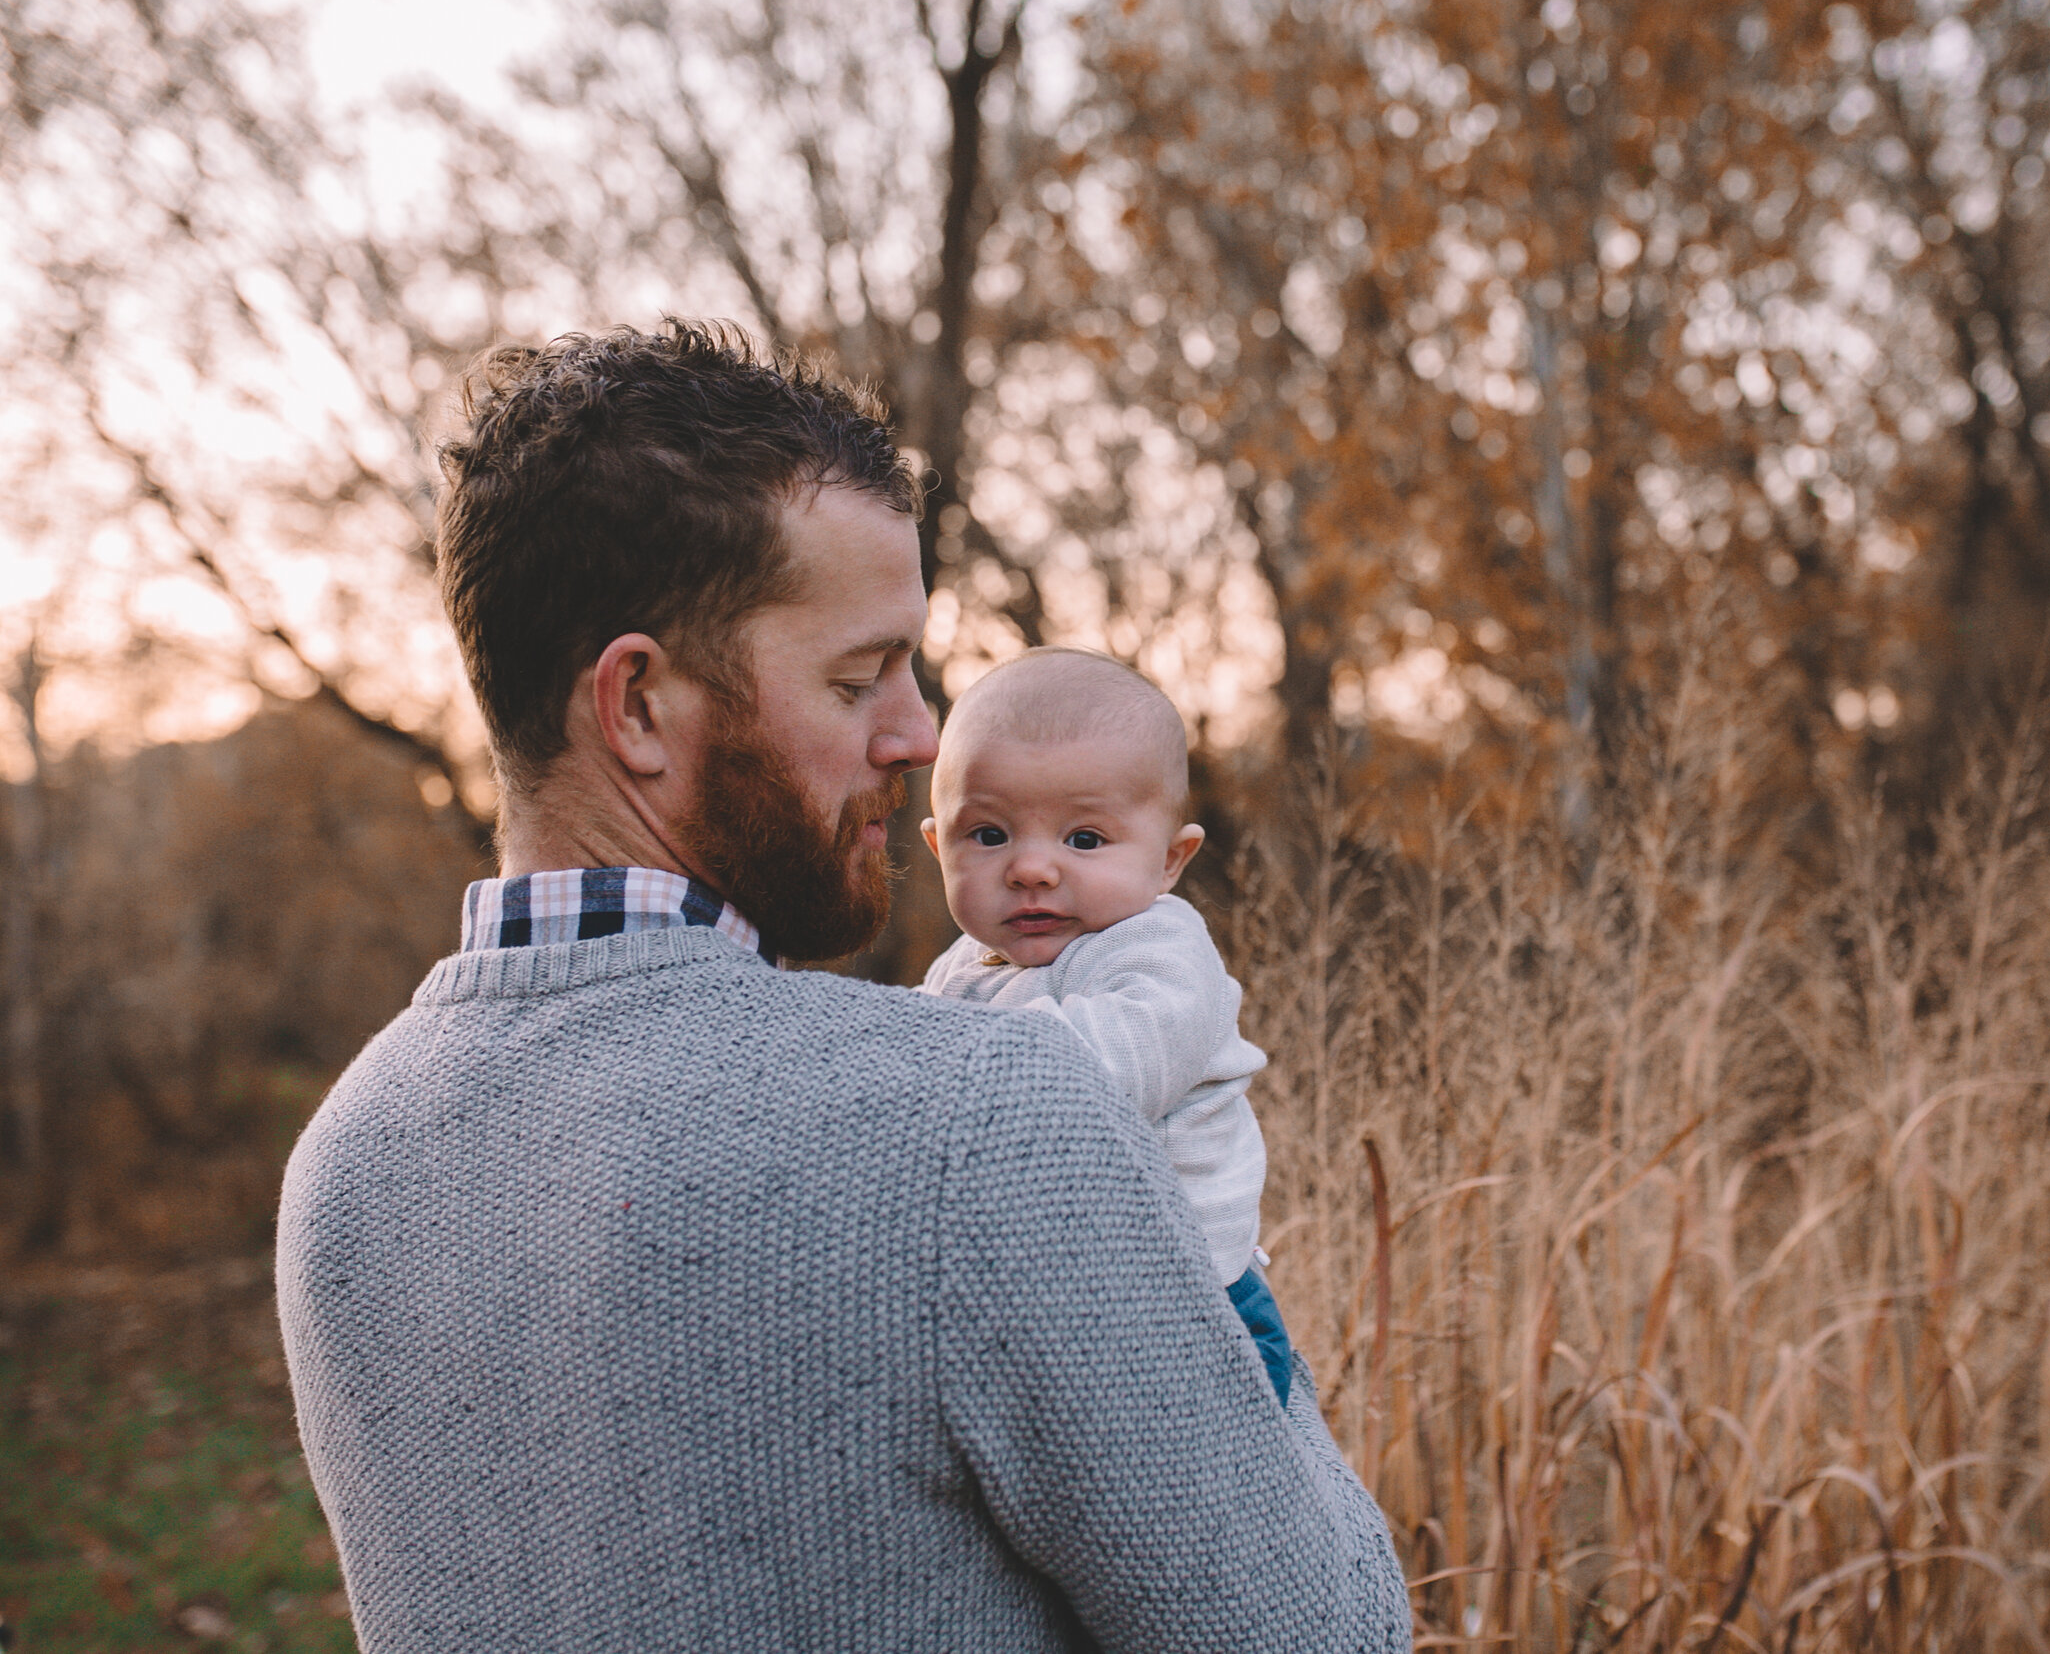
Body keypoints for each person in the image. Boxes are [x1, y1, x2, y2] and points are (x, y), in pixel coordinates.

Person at [272, 320, 1410, 1653]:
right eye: (860, 674)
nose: (922, 733)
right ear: (638, 706)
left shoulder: (341, 1165)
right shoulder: (979, 1116)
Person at [917, 647, 1292, 1404]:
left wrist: (925, 1068)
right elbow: (921, 1078)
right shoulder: (964, 965)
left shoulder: (1160, 951)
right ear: (937, 845)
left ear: (1169, 860)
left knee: (1206, 1483)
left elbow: (1102, 1071)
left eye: (1083, 839)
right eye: (988, 835)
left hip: (1197, 1295)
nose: (1031, 868)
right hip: (1068, 1286)